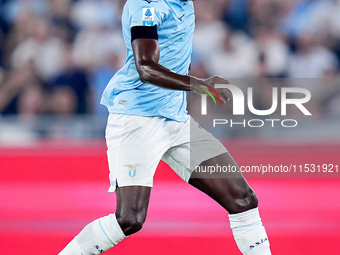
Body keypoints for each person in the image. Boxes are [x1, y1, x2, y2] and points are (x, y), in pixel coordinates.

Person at [59, 0, 271, 254]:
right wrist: (199, 85)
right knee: (129, 219)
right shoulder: (145, 6)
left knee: (243, 199)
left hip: (176, 119)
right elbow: (146, 67)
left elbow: (176, 53)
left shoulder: (185, 4)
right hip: (137, 119)